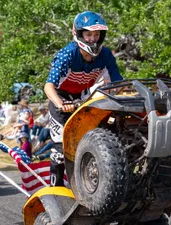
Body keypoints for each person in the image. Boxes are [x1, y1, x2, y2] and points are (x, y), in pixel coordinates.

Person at [44, 11, 123, 186]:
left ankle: (95, 184)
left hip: (84, 97)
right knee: (60, 148)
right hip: (62, 100)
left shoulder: (106, 55)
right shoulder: (68, 54)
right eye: (88, 34)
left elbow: (117, 83)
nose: (93, 39)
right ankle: (55, 188)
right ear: (79, 34)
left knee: (98, 138)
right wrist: (60, 104)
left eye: (96, 35)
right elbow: (48, 86)